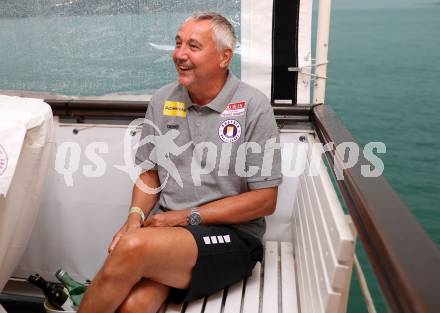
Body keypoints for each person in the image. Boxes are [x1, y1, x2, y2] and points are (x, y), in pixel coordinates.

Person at [78, 11, 281, 313]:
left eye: (193, 46)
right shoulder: (162, 101)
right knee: (134, 305)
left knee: (132, 246)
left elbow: (265, 200)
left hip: (233, 237)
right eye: (177, 43)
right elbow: (151, 174)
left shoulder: (253, 107)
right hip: (170, 234)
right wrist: (134, 217)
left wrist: (185, 217)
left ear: (225, 57)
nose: (179, 54)